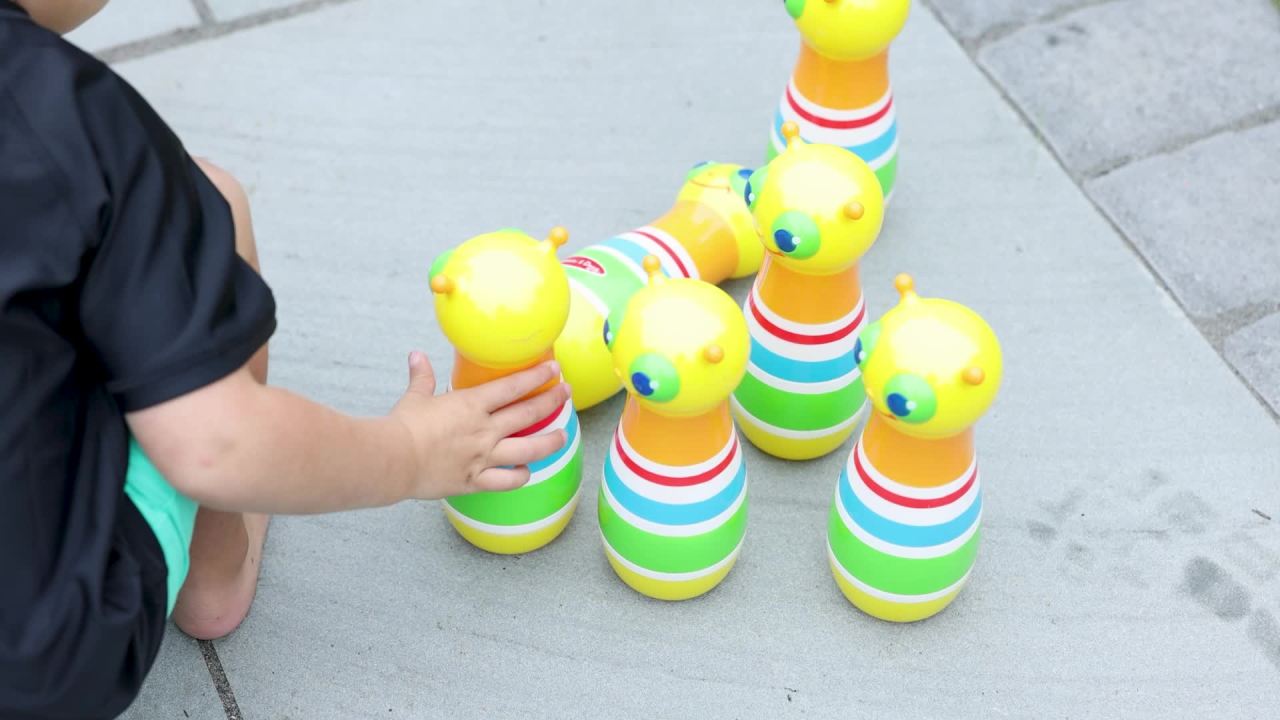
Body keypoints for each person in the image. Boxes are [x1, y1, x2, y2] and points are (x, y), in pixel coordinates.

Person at [0, 2, 570, 717]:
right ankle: (215, 575)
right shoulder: (67, 113)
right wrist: (407, 451)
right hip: (44, 655)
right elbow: (217, 443)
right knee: (212, 204)